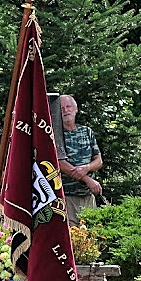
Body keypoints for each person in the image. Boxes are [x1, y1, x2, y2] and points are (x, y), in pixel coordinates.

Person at [57, 95, 103, 224]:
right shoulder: (56, 135)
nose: (66, 111)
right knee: (73, 238)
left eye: (68, 107)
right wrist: (87, 179)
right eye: (62, 108)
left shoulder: (86, 131)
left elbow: (98, 160)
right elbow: (60, 163)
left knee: (91, 235)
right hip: (67, 198)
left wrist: (87, 168)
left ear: (76, 109)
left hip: (88, 196)